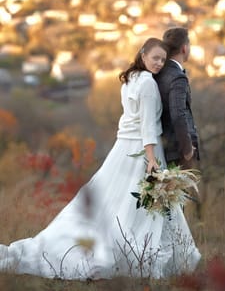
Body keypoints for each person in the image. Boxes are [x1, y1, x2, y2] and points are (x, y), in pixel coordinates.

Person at [0, 38, 201, 280]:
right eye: (155, 58)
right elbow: (148, 124)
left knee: (114, 198)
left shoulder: (130, 79)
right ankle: (135, 251)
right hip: (143, 147)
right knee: (141, 204)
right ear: (143, 55)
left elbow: (129, 117)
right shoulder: (147, 83)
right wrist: (151, 158)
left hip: (123, 147)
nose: (159, 63)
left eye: (162, 59)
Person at [154, 27, 200, 170]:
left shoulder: (159, 71)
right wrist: (187, 150)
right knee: (186, 192)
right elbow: (178, 115)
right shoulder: (177, 77)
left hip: (165, 147)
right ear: (184, 48)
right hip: (179, 152)